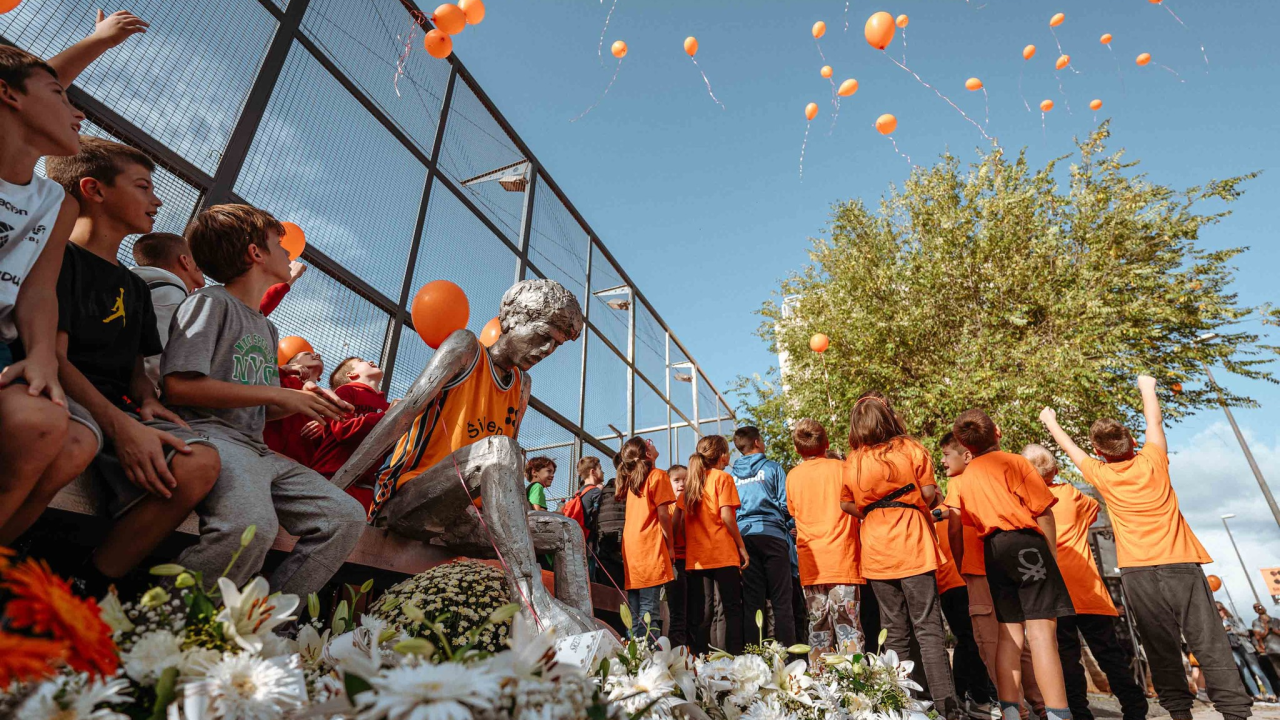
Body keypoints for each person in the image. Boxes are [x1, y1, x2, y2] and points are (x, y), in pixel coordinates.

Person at [34, 138, 222, 593]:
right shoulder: (57, 257)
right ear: (94, 190)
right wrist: (121, 427)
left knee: (199, 462)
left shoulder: (134, 285)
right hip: (66, 398)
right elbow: (54, 358)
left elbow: (135, 366)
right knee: (70, 441)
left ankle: (91, 586)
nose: (157, 200)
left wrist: (144, 399)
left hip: (119, 408)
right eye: (142, 186)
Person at [162, 203, 365, 596]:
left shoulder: (267, 329)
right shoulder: (210, 303)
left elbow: (257, 405)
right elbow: (179, 387)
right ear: (256, 253)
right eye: (279, 243)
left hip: (255, 450)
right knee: (252, 526)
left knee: (345, 518)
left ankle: (268, 619)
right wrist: (278, 393)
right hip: (209, 436)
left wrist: (299, 402)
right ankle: (167, 619)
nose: (288, 252)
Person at [1040, 375, 1253, 720]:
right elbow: (1154, 420)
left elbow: (1070, 449)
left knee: (1159, 645)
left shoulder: (1101, 474)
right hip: (1181, 564)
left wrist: (1051, 422)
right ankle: (1235, 712)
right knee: (1209, 641)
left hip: (1138, 573)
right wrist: (1146, 388)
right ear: (1133, 442)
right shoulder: (1153, 459)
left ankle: (1179, 712)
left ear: (1098, 453)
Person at [0, 47, 91, 542]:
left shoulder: (56, 202)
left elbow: (37, 289)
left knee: (60, 432)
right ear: (7, 94)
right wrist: (99, 41)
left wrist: (40, 357)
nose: (78, 114)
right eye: (61, 95)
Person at [945, 408, 1073, 720]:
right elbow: (1043, 511)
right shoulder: (1015, 462)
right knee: (1042, 634)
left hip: (993, 550)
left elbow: (962, 526)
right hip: (1027, 545)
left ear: (964, 444)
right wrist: (1051, 555)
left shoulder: (965, 478)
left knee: (1008, 634)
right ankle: (1058, 713)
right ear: (997, 432)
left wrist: (962, 564)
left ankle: (1011, 712)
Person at [841, 393, 959, 718]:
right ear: (887, 418)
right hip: (913, 542)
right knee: (929, 629)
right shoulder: (910, 448)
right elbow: (929, 493)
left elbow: (845, 503)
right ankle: (947, 708)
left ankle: (905, 709)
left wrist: (871, 510)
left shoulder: (853, 460)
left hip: (877, 548)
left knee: (894, 630)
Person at [1021, 443, 1148, 720]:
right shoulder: (1071, 494)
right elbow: (1092, 512)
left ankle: (1079, 712)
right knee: (1110, 653)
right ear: (1054, 470)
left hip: (1053, 591)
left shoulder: (1024, 503)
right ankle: (1135, 708)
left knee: (1067, 657)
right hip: (1088, 588)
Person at [940, 432, 1040, 720]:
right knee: (1019, 642)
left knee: (990, 644)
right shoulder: (1003, 470)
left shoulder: (960, 482)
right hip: (1011, 565)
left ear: (966, 455)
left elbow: (955, 528)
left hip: (978, 570)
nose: (943, 461)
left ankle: (1015, 710)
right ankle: (1043, 705)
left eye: (946, 454)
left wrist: (961, 564)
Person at [785, 418, 864, 659]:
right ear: (827, 443)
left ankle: (820, 678)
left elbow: (793, 512)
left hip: (812, 565)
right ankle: (855, 679)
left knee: (817, 627)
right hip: (843, 560)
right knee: (849, 627)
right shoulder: (842, 469)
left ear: (797, 449)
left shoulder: (793, 476)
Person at [680, 434, 748, 654]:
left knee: (703, 610)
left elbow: (679, 520)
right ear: (722, 455)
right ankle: (733, 657)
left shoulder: (692, 482)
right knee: (730, 608)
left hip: (697, 556)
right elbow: (727, 516)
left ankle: (701, 658)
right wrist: (741, 547)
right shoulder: (723, 478)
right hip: (722, 552)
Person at [729, 426, 796, 648]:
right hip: (773, 536)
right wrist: (785, 523)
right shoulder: (773, 468)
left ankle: (754, 656)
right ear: (757, 442)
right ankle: (788, 656)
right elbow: (786, 506)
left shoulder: (731, 476)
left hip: (744, 539)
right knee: (781, 600)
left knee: (752, 601)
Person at [310, 356, 390, 511]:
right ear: (351, 375)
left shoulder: (386, 405)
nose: (371, 361)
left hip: (367, 487)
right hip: (331, 476)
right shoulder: (346, 391)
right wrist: (386, 417)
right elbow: (342, 429)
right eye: (361, 361)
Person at [130, 231, 204, 392]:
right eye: (196, 257)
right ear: (185, 261)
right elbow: (155, 361)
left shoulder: (139, 287)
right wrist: (154, 397)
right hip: (140, 397)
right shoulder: (171, 294)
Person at [617, 437, 674, 643]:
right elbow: (664, 515)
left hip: (632, 547)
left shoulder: (633, 479)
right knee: (649, 608)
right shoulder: (657, 475)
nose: (652, 442)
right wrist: (670, 546)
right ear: (648, 454)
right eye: (649, 442)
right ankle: (649, 654)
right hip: (649, 546)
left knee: (635, 608)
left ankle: (634, 652)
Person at [264, 348, 324, 466]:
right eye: (307, 353)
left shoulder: (323, 399)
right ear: (293, 364)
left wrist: (324, 427)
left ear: (319, 378)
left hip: (298, 466)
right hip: (263, 453)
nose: (318, 355)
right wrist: (285, 370)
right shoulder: (279, 378)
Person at [1219, 602, 1275, 702]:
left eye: (1219, 610)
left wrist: (1232, 629)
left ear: (1224, 609)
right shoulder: (1217, 625)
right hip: (1232, 649)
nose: (1218, 612)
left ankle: (1271, 694)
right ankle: (1257, 694)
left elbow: (1245, 632)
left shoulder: (1235, 619)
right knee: (1245, 673)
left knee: (1257, 670)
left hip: (1244, 646)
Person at [591, 452, 627, 592]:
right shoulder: (633, 489)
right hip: (625, 546)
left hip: (605, 543)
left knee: (612, 590)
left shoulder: (605, 489)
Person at [667, 463, 690, 648]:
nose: (681, 484)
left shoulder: (691, 505)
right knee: (678, 612)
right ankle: (676, 652)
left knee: (694, 611)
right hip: (675, 563)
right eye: (676, 480)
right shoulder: (666, 509)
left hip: (692, 562)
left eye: (685, 480)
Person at [1252, 604, 1280, 684]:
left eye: (1260, 606)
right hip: (1271, 650)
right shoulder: (1256, 622)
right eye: (1256, 608)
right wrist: (1266, 629)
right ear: (1255, 611)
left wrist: (1273, 630)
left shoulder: (1275, 620)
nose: (1258, 608)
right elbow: (1258, 636)